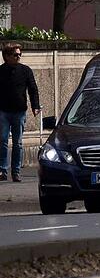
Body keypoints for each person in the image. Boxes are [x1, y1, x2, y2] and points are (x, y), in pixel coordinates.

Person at [0, 43, 41, 182]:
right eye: (15, 54)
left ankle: (16, 171)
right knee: (3, 141)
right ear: (6, 56)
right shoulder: (1, 71)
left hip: (19, 111)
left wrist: (35, 106)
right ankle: (2, 170)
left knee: (18, 143)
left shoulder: (25, 70)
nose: (18, 57)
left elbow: (33, 89)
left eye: (19, 54)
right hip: (3, 111)